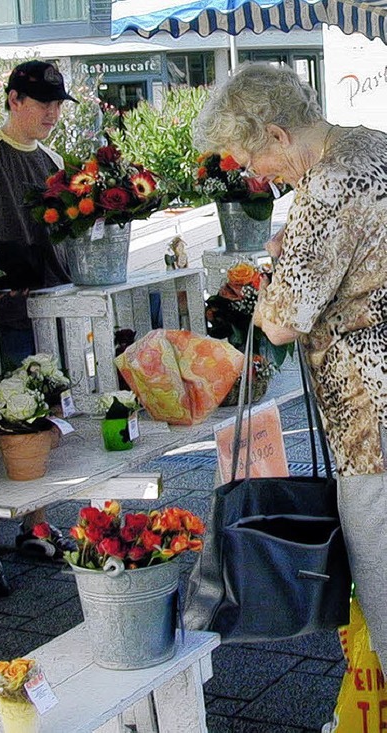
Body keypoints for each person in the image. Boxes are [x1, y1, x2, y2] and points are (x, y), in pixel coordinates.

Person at [194, 60, 387, 675]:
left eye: (252, 160)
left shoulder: (329, 184)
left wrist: (273, 271)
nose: (257, 176)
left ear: (277, 135)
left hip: (372, 416)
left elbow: (280, 319)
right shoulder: (373, 146)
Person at [0, 60, 78, 594]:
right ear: (13, 99)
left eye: (57, 102)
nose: (51, 112)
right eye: (41, 101)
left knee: (43, 422)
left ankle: (34, 525)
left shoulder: (54, 158)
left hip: (48, 308)